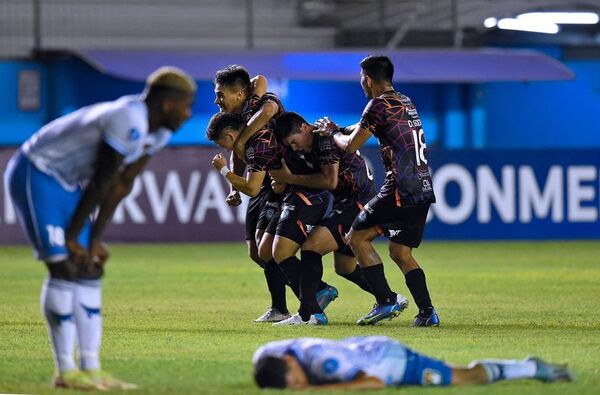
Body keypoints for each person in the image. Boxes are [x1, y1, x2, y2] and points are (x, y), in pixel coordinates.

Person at [4, 66, 196, 390]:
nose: (188, 114)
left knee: (89, 268)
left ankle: (91, 368)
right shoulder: (128, 118)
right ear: (167, 105)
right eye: (186, 106)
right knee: (63, 266)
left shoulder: (159, 132)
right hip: (37, 172)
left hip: (67, 184)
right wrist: (71, 237)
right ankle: (65, 371)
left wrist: (94, 241)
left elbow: (122, 183)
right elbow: (100, 181)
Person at [315, 55, 438, 327]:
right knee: (400, 252)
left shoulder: (377, 104)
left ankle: (385, 300)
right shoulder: (405, 101)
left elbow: (348, 144)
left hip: (399, 189)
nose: (361, 83)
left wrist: (329, 133)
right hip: (422, 187)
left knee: (355, 238)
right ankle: (427, 312)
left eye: (361, 78)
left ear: (368, 80)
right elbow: (362, 130)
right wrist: (338, 129)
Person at [207, 112, 338, 324]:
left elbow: (252, 188)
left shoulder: (257, 144)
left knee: (279, 250)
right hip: (286, 188)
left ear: (230, 136)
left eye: (224, 144)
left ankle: (311, 306)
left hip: (305, 192)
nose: (226, 149)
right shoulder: (254, 138)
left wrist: (223, 171)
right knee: (264, 249)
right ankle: (308, 300)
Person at [269, 112, 383, 326]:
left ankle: (309, 313)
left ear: (304, 128)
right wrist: (284, 183)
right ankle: (389, 298)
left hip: (358, 204)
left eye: (294, 142)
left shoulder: (324, 139)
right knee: (345, 267)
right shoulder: (314, 142)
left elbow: (329, 181)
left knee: (312, 245)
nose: (294, 148)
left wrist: (289, 178)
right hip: (349, 203)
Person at [212, 65, 289, 322]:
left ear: (239, 94)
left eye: (220, 94)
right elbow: (260, 78)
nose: (217, 100)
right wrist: (234, 187)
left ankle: (292, 302)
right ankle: (305, 290)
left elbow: (269, 107)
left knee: (267, 248)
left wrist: (242, 140)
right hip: (259, 176)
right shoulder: (240, 111)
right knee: (256, 252)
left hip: (279, 178)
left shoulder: (260, 104)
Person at [253, 336, 574, 390]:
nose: (298, 388)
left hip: (390, 361)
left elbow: (376, 383)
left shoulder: (326, 365)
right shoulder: (270, 353)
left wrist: (318, 392)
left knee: (461, 378)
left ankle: (530, 368)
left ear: (290, 365)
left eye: (294, 382)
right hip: (366, 349)